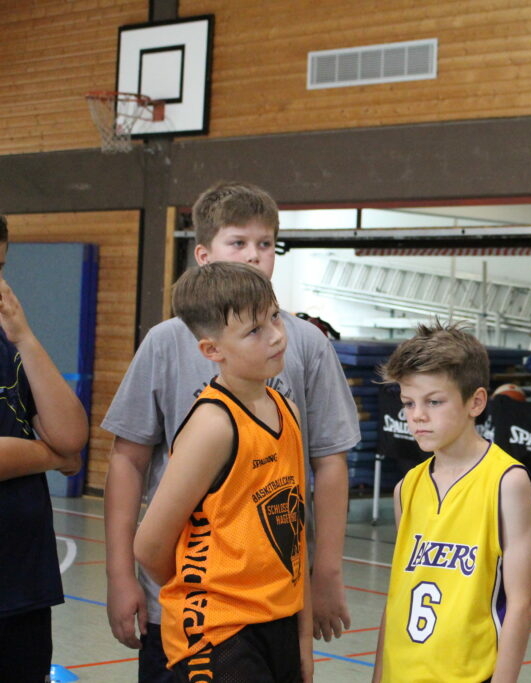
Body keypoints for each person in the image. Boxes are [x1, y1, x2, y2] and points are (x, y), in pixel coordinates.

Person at [103, 181, 360, 681]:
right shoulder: (169, 350)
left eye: (265, 244)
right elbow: (129, 462)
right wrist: (123, 576)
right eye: (238, 242)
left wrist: (324, 573)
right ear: (204, 255)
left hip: (276, 602)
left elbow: (324, 467)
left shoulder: (300, 354)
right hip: (202, 612)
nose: (253, 256)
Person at [134, 261, 312, 681]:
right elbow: (149, 545)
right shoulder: (213, 425)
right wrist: (207, 590)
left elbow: (293, 535)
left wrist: (302, 638)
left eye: (275, 317)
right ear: (212, 351)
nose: (276, 335)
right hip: (220, 632)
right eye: (254, 330)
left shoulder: (285, 408)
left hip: (277, 621)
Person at [371, 322, 531, 683]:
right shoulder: (406, 488)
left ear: (475, 402)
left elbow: (521, 603)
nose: (417, 415)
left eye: (434, 401)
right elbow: (397, 595)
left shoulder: (507, 482)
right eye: (408, 403)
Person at [0, 215, 90, 682]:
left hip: (22, 582)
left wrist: (25, 337)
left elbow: (71, 436)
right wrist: (51, 457)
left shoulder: (10, 347)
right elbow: (65, 453)